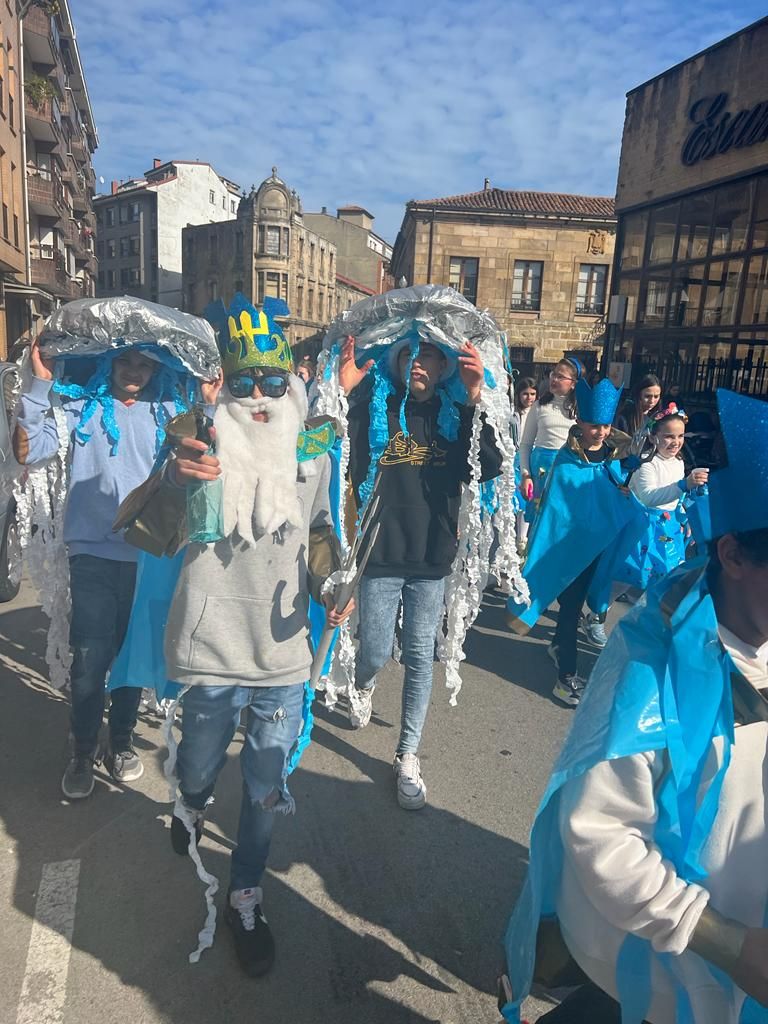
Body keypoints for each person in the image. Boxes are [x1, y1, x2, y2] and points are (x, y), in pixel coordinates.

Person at [500, 388, 768, 1024]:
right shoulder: (651, 666)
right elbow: (601, 833)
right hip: (664, 981)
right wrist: (728, 944)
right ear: (732, 555)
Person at [141, 293, 352, 976]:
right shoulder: (193, 435)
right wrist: (176, 478)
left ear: (290, 376)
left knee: (265, 787)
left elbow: (319, 531)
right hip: (211, 648)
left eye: (273, 380)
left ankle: (246, 895)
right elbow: (154, 532)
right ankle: (193, 799)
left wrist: (329, 584)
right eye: (245, 383)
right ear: (225, 382)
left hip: (284, 654)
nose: (260, 396)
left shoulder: (313, 443)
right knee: (199, 763)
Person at [13, 325, 198, 800]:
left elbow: (206, 457)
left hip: (148, 552)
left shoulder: (169, 413)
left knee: (131, 655)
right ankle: (82, 749)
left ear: (156, 368)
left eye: (144, 363)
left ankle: (119, 743)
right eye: (125, 361)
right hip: (91, 550)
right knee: (91, 660)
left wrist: (212, 404)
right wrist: (38, 383)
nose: (134, 371)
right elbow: (28, 450)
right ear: (109, 363)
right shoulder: (81, 408)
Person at [338, 328, 502, 809]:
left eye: (429, 354)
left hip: (431, 558)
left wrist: (474, 397)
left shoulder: (453, 419)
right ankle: (363, 684)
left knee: (418, 657)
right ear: (395, 361)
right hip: (381, 555)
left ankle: (407, 753)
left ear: (444, 366)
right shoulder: (377, 410)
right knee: (372, 648)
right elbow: (330, 450)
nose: (418, 363)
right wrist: (347, 395)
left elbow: (487, 464)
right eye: (409, 353)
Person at [507, 376, 643, 706]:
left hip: (598, 548)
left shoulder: (613, 459)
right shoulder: (566, 461)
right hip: (569, 550)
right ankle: (565, 677)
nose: (600, 432)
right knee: (569, 608)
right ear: (579, 421)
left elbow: (613, 497)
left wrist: (623, 489)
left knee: (579, 605)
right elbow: (559, 511)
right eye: (594, 425)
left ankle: (557, 646)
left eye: (606, 426)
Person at [621, 403, 708, 591]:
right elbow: (648, 498)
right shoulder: (646, 463)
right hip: (643, 527)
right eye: (669, 436)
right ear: (653, 437)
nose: (676, 442)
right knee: (630, 573)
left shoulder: (677, 461)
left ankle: (652, 616)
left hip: (669, 527)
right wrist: (684, 484)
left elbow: (678, 497)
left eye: (680, 436)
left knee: (667, 573)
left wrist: (686, 518)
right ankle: (599, 611)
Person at [518, 358, 581, 526]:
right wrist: (526, 475)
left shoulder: (581, 410)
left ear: (573, 383)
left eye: (561, 377)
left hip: (568, 470)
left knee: (562, 521)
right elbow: (525, 445)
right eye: (554, 374)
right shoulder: (539, 406)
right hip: (541, 470)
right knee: (540, 523)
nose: (554, 379)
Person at [512, 376, 538, 552]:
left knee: (528, 499)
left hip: (532, 458)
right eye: (525, 394)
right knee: (516, 500)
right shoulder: (514, 414)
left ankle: (523, 538)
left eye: (533, 394)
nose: (529, 398)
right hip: (515, 459)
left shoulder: (538, 412)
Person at [615, 373, 662, 439]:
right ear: (639, 395)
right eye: (647, 396)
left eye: (656, 396)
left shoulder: (659, 416)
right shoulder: (624, 418)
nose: (652, 401)